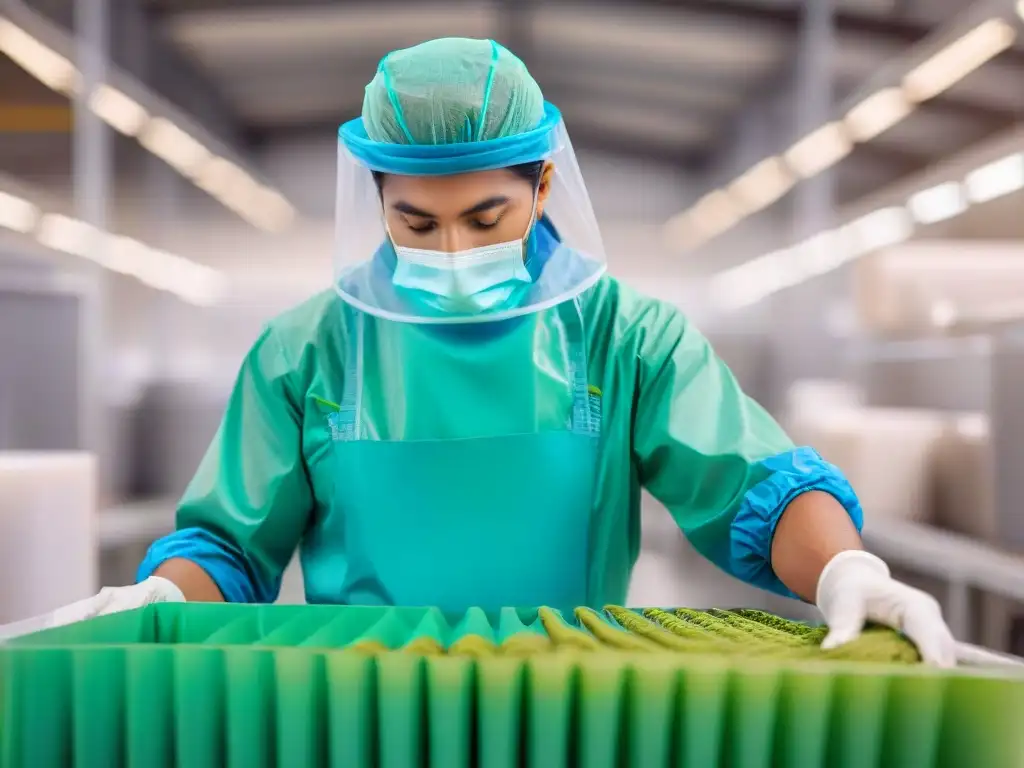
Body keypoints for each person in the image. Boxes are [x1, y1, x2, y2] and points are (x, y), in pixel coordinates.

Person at [12, 38, 955, 665]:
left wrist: (842, 567)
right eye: (415, 221)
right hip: (358, 711)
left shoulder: (624, 337)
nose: (451, 251)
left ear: (544, 186)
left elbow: (753, 484)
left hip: (565, 700)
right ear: (376, 195)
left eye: (485, 216)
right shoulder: (308, 351)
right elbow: (229, 544)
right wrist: (160, 597)